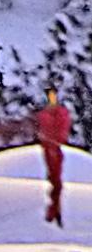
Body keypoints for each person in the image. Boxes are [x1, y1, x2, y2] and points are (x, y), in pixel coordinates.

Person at [39, 89, 71, 230]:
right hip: (49, 147)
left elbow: (61, 130)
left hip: (54, 147)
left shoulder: (59, 113)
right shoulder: (46, 114)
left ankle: (54, 214)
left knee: (56, 183)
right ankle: (52, 214)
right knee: (55, 182)